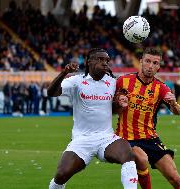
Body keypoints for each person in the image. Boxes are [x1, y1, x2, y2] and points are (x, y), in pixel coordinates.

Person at [47, 48, 138, 189]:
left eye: (107, 60)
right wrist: (64, 73)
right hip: (82, 140)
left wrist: (120, 105)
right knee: (61, 174)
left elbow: (112, 110)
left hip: (106, 137)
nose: (105, 63)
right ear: (89, 62)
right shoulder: (77, 81)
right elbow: (51, 92)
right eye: (100, 59)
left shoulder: (113, 83)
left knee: (127, 154)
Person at [115, 47, 180, 189]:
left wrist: (173, 103)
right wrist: (118, 104)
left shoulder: (161, 88)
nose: (150, 66)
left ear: (159, 67)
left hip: (150, 138)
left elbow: (177, 112)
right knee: (141, 158)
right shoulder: (123, 81)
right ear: (141, 62)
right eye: (147, 61)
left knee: (175, 179)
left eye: (155, 63)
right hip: (126, 138)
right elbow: (109, 104)